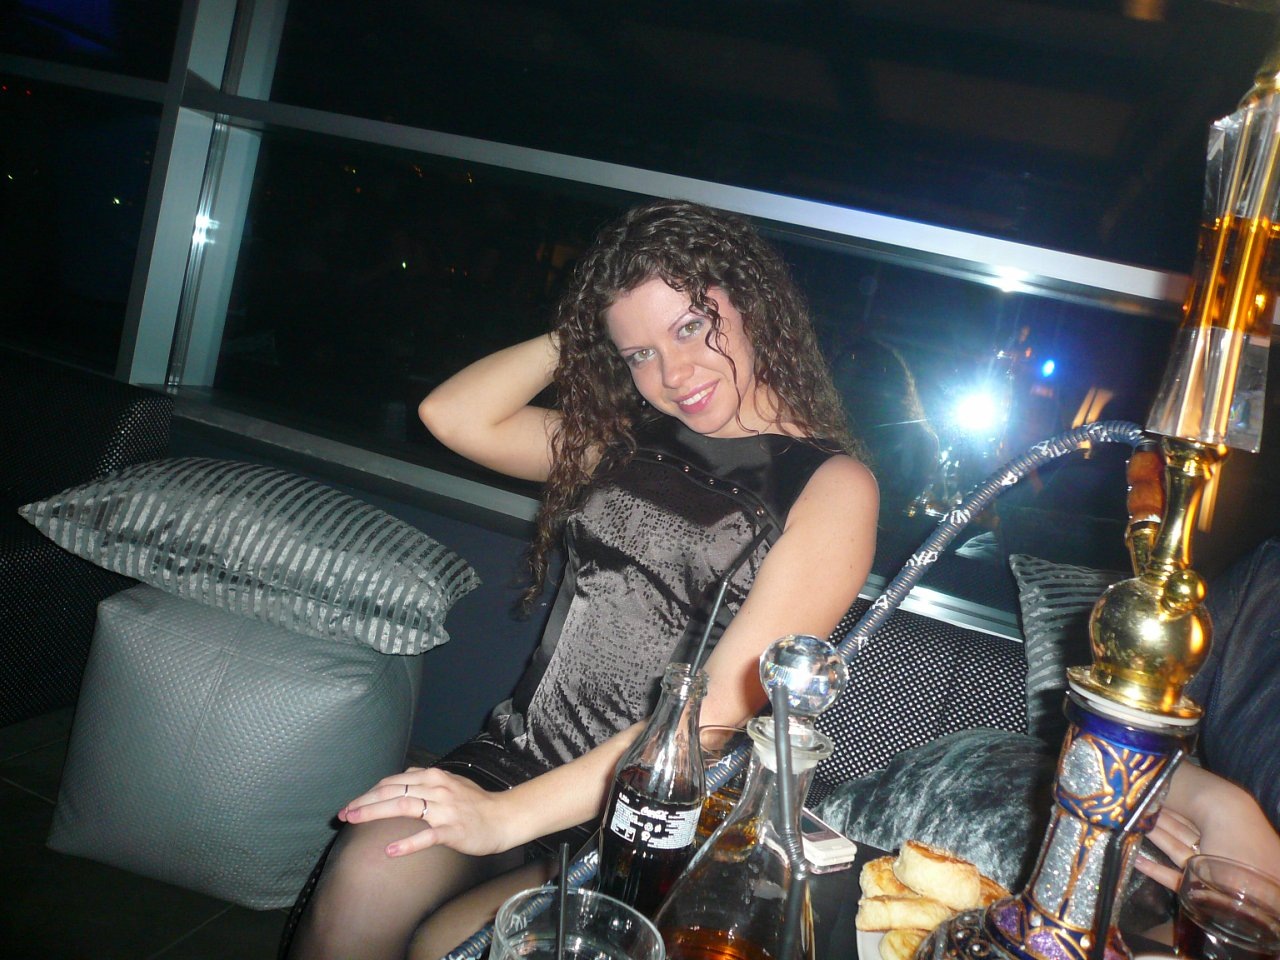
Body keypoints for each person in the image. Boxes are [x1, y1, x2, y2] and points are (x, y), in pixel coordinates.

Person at [287, 199, 879, 960]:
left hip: (652, 810)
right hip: (517, 755)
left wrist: (505, 819)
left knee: (454, 944)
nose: (673, 375)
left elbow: (719, 710)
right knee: (371, 867)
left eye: (690, 328)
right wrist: (589, 327)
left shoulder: (831, 487)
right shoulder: (630, 440)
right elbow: (453, 415)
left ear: (751, 303)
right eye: (639, 355)